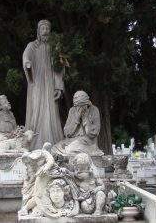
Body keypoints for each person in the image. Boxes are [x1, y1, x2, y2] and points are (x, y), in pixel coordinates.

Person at [23, 20, 64, 149]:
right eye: (43, 28)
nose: (45, 30)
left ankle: (54, 142)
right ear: (38, 31)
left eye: (47, 28)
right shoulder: (32, 46)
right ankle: (34, 143)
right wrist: (27, 64)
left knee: (51, 110)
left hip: (50, 84)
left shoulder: (54, 47)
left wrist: (58, 86)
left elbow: (59, 67)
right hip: (37, 84)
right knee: (36, 109)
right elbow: (26, 57)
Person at [52, 91, 103, 157]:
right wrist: (77, 118)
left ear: (87, 104)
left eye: (82, 106)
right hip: (72, 140)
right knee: (54, 149)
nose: (79, 108)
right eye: (77, 106)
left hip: (87, 141)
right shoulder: (72, 110)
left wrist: (85, 117)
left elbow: (93, 133)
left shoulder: (94, 110)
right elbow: (67, 133)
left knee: (70, 150)